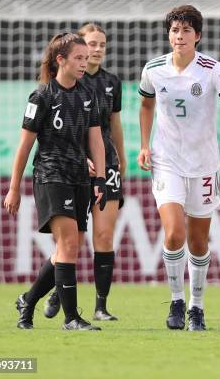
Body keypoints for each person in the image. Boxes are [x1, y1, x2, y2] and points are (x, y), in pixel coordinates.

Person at [137, 5, 220, 331]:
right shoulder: (153, 69)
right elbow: (145, 103)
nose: (179, 36)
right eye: (174, 31)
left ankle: (197, 306)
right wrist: (143, 144)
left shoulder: (211, 69)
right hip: (167, 160)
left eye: (185, 31)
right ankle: (177, 300)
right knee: (173, 233)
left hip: (205, 163)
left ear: (197, 35)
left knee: (198, 242)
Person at [4, 32, 106, 331]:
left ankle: (28, 300)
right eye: (78, 58)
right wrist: (14, 188)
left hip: (79, 176)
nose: (83, 64)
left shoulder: (88, 93)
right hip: (50, 175)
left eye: (86, 59)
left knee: (68, 248)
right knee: (69, 243)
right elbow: (24, 146)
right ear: (60, 60)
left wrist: (99, 178)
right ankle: (71, 318)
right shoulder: (42, 96)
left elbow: (96, 140)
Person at [42, 24, 125, 322]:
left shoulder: (112, 83)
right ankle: (55, 293)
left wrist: (121, 158)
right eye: (92, 43)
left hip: (107, 163)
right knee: (71, 241)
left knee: (104, 234)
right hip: (73, 164)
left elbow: (114, 124)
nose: (97, 49)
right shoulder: (66, 84)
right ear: (78, 48)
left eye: (102, 43)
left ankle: (101, 306)